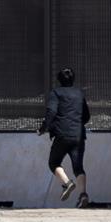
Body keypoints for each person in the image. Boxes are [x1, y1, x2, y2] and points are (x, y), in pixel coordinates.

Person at [39, 68, 91, 208]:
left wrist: (43, 128)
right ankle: (83, 195)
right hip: (78, 135)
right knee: (78, 167)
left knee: (54, 162)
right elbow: (86, 116)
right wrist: (76, 124)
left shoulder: (56, 93)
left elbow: (51, 112)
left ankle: (67, 183)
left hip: (62, 135)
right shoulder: (79, 93)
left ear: (59, 80)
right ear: (73, 79)